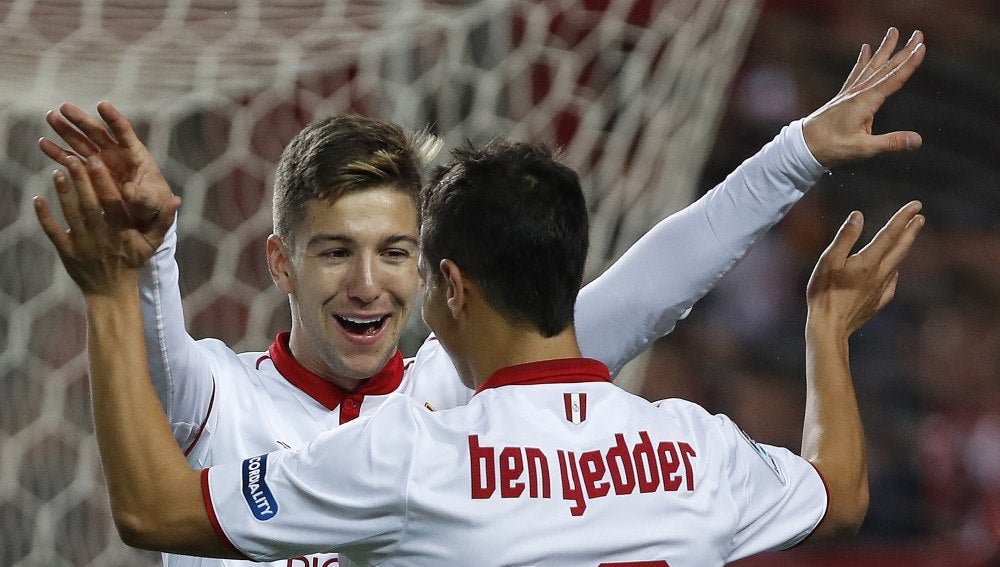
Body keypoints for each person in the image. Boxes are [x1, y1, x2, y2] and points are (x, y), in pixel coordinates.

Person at [39, 26, 924, 567]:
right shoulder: (216, 394)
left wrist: (794, 154)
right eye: (335, 251)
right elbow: (151, 368)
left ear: (438, 279)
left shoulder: (445, 412)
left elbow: (653, 287)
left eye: (397, 253)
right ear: (277, 263)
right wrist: (145, 259)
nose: (367, 281)